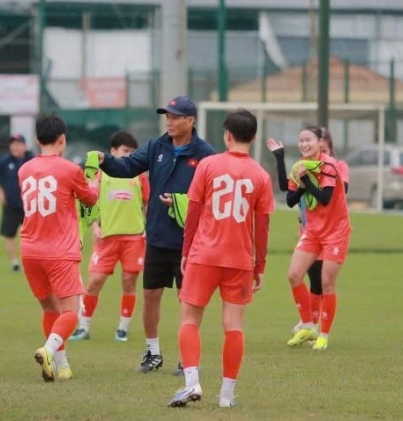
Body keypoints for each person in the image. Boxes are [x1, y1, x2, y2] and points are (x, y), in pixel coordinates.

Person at [96, 96, 215, 374]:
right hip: (158, 239)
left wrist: (179, 201)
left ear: (191, 120)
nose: (169, 121)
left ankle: (187, 357)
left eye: (175, 117)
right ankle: (152, 353)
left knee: (188, 301)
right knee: (150, 295)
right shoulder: (155, 146)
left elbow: (211, 196)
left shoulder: (206, 153)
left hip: (190, 243)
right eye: (167, 116)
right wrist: (104, 160)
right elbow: (127, 168)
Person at [167, 109, 273, 408]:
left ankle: (191, 384)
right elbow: (262, 226)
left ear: (227, 135)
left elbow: (193, 212)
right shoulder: (261, 175)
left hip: (204, 254)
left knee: (189, 319)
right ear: (253, 137)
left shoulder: (208, 165)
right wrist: (259, 265)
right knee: (234, 326)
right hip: (240, 259)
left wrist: (186, 252)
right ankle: (226, 396)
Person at [19, 114, 98, 382]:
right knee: (71, 312)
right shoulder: (70, 170)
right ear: (62, 139)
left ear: (37, 139)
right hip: (60, 252)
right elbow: (89, 199)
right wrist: (94, 180)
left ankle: (62, 367)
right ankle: (48, 348)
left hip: (30, 250)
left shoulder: (24, 169)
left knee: (49, 309)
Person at [267, 127, 349, 338]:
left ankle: (321, 330)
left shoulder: (335, 166)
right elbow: (290, 192)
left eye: (312, 142)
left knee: (323, 282)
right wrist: (281, 158)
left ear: (324, 145)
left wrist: (313, 179)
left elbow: (331, 195)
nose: (306, 145)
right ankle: (309, 324)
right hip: (309, 229)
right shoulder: (302, 167)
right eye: (301, 140)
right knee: (305, 276)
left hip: (332, 231)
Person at [70, 132, 148, 342]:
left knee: (129, 282)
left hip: (134, 238)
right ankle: (83, 327)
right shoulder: (100, 175)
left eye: (132, 152)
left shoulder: (139, 175)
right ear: (113, 152)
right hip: (107, 237)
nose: (129, 155)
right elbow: (90, 201)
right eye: (125, 151)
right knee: (94, 281)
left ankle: (122, 328)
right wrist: (95, 225)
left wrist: (147, 227)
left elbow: (147, 202)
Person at [0, 134, 34, 272]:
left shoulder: (32, 160)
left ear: (25, 146)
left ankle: (31, 261)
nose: (15, 147)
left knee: (31, 236)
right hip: (11, 205)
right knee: (9, 235)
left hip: (30, 206)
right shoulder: (5, 161)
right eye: (12, 144)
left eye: (18, 144)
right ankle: (14, 262)